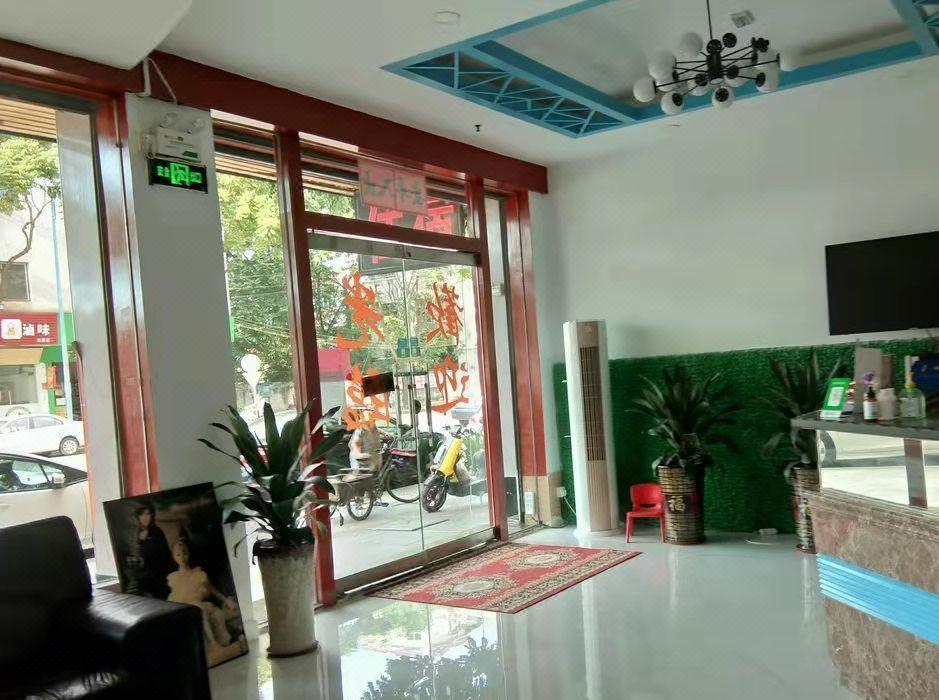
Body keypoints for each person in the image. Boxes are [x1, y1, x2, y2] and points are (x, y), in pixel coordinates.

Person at [166, 537, 246, 666]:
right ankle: (212, 647)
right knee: (194, 610)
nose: (182, 557)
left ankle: (216, 644)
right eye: (178, 554)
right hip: (183, 609)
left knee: (209, 612)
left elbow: (212, 590)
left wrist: (226, 600)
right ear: (173, 557)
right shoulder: (173, 578)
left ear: (189, 553)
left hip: (199, 606)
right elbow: (173, 598)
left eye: (184, 553)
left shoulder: (198, 574)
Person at [132, 503, 174, 599]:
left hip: (161, 574)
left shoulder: (156, 531)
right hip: (149, 574)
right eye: (142, 514)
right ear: (138, 517)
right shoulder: (139, 532)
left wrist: (142, 542)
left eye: (148, 514)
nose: (145, 517)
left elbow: (155, 555)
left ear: (152, 515)